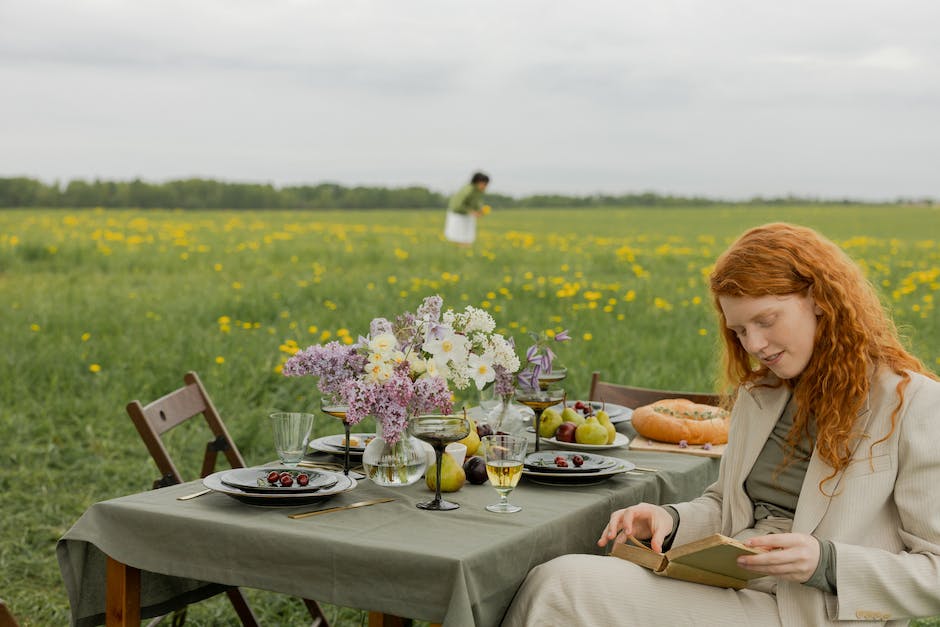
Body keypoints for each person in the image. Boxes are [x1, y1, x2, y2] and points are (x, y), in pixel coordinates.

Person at [502, 223, 940, 626]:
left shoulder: (913, 402)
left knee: (561, 585)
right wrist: (668, 520)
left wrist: (824, 562)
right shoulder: (763, 393)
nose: (755, 345)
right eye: (740, 331)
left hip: (808, 612)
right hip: (733, 583)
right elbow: (727, 507)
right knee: (558, 580)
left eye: (765, 321)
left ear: (822, 301)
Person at [444, 171, 489, 246]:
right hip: (457, 215)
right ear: (478, 182)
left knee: (467, 238)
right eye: (484, 184)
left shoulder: (478, 191)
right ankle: (458, 252)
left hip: (467, 215)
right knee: (458, 238)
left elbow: (477, 203)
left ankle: (463, 252)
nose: (485, 186)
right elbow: (457, 205)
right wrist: (471, 212)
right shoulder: (467, 190)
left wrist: (480, 210)